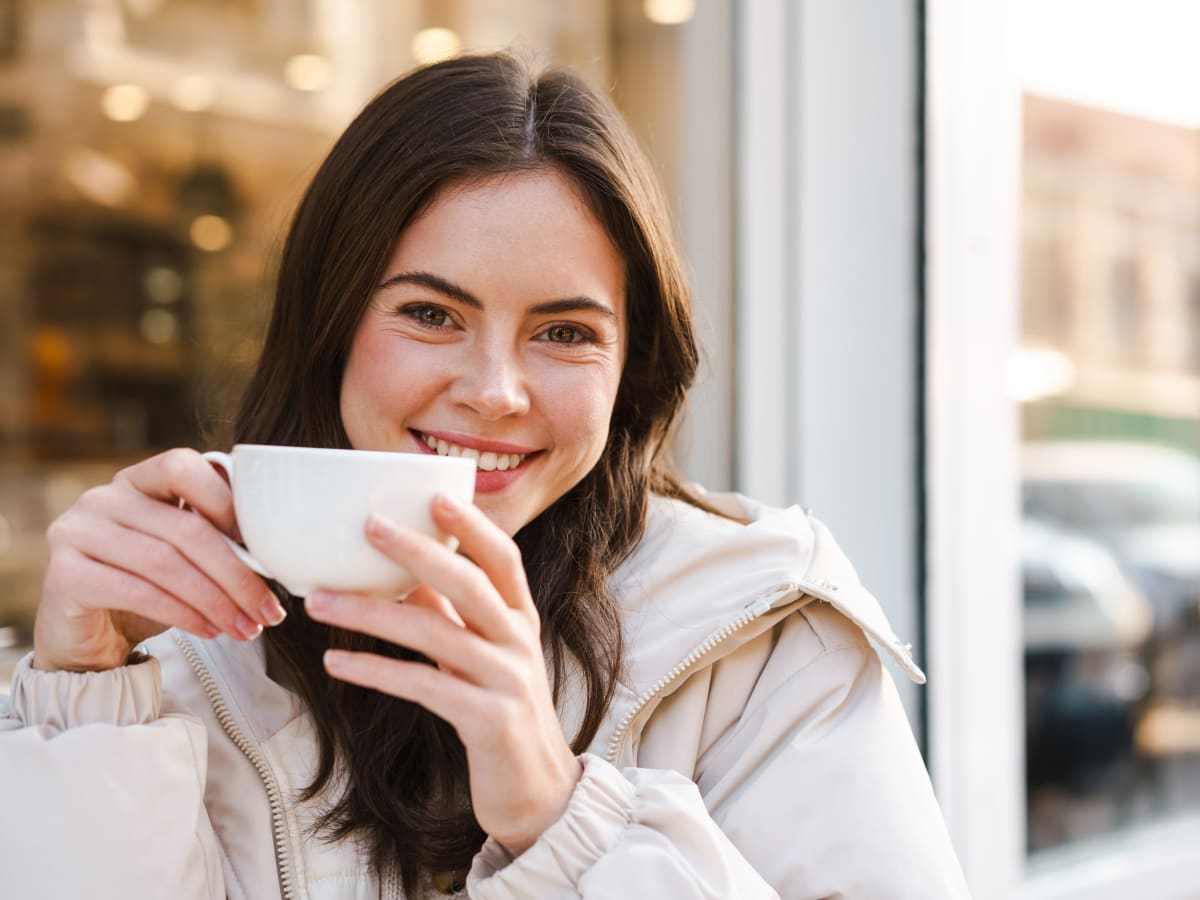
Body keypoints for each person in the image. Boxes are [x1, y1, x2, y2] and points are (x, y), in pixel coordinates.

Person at [0, 52, 970, 899]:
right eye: (431, 314)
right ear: (330, 326)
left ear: (632, 365)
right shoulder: (183, 631)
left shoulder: (759, 637)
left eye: (564, 333)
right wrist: (82, 698)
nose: (496, 392)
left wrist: (562, 818)